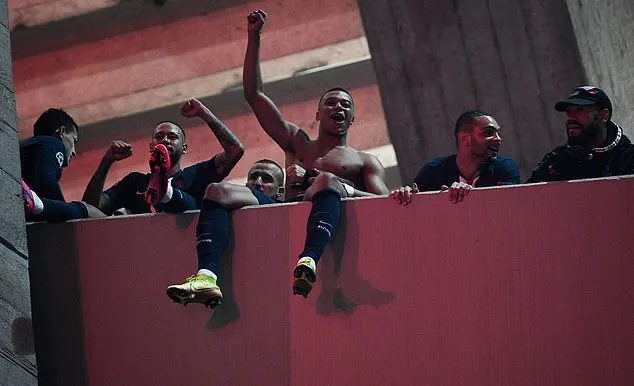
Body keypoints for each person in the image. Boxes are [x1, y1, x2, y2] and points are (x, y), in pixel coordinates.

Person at [244, 10, 389, 297]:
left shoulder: (365, 161)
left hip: (334, 236)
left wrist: (330, 182)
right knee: (218, 191)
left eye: (346, 106)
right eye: (332, 103)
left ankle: (310, 258)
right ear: (318, 113)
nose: (339, 108)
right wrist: (253, 36)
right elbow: (253, 95)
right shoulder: (297, 142)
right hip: (287, 223)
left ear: (352, 119)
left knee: (326, 183)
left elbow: (382, 203)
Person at [82, 98, 245, 215]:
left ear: (184, 148)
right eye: (159, 137)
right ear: (151, 147)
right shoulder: (135, 182)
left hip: (184, 243)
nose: (165, 140)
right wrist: (107, 161)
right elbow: (91, 206)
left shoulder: (195, 175)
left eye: (172, 137)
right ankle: (161, 189)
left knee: (191, 203)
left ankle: (165, 191)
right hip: (144, 250)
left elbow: (235, 150)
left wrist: (204, 113)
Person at [166, 159, 285, 308]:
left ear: (280, 191)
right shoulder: (228, 207)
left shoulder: (281, 206)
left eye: (267, 179)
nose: (258, 183)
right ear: (246, 185)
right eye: (254, 177)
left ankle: (206, 276)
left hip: (274, 207)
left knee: (216, 190)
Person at [391, 110, 520, 205]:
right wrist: (406, 196)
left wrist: (469, 198)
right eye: (488, 133)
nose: (498, 139)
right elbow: (419, 212)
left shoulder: (505, 168)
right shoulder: (433, 170)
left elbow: (507, 207)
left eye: (497, 133)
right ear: (465, 139)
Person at [526, 86, 634, 182]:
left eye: (580, 110)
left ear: (604, 116)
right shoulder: (558, 158)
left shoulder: (627, 157)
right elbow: (528, 198)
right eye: (568, 111)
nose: (571, 117)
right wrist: (554, 170)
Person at [20, 108, 105, 222]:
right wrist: (62, 212)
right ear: (61, 132)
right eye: (74, 141)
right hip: (25, 202)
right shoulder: (53, 143)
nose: (74, 151)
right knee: (86, 209)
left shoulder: (34, 148)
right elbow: (47, 182)